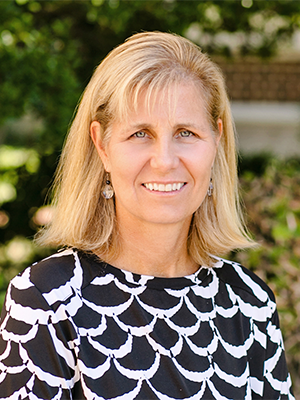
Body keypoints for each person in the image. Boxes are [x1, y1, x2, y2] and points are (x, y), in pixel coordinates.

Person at [0, 31, 294, 400]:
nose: (165, 161)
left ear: (216, 141)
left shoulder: (249, 303)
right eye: (141, 134)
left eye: (185, 132)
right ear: (102, 145)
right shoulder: (46, 300)